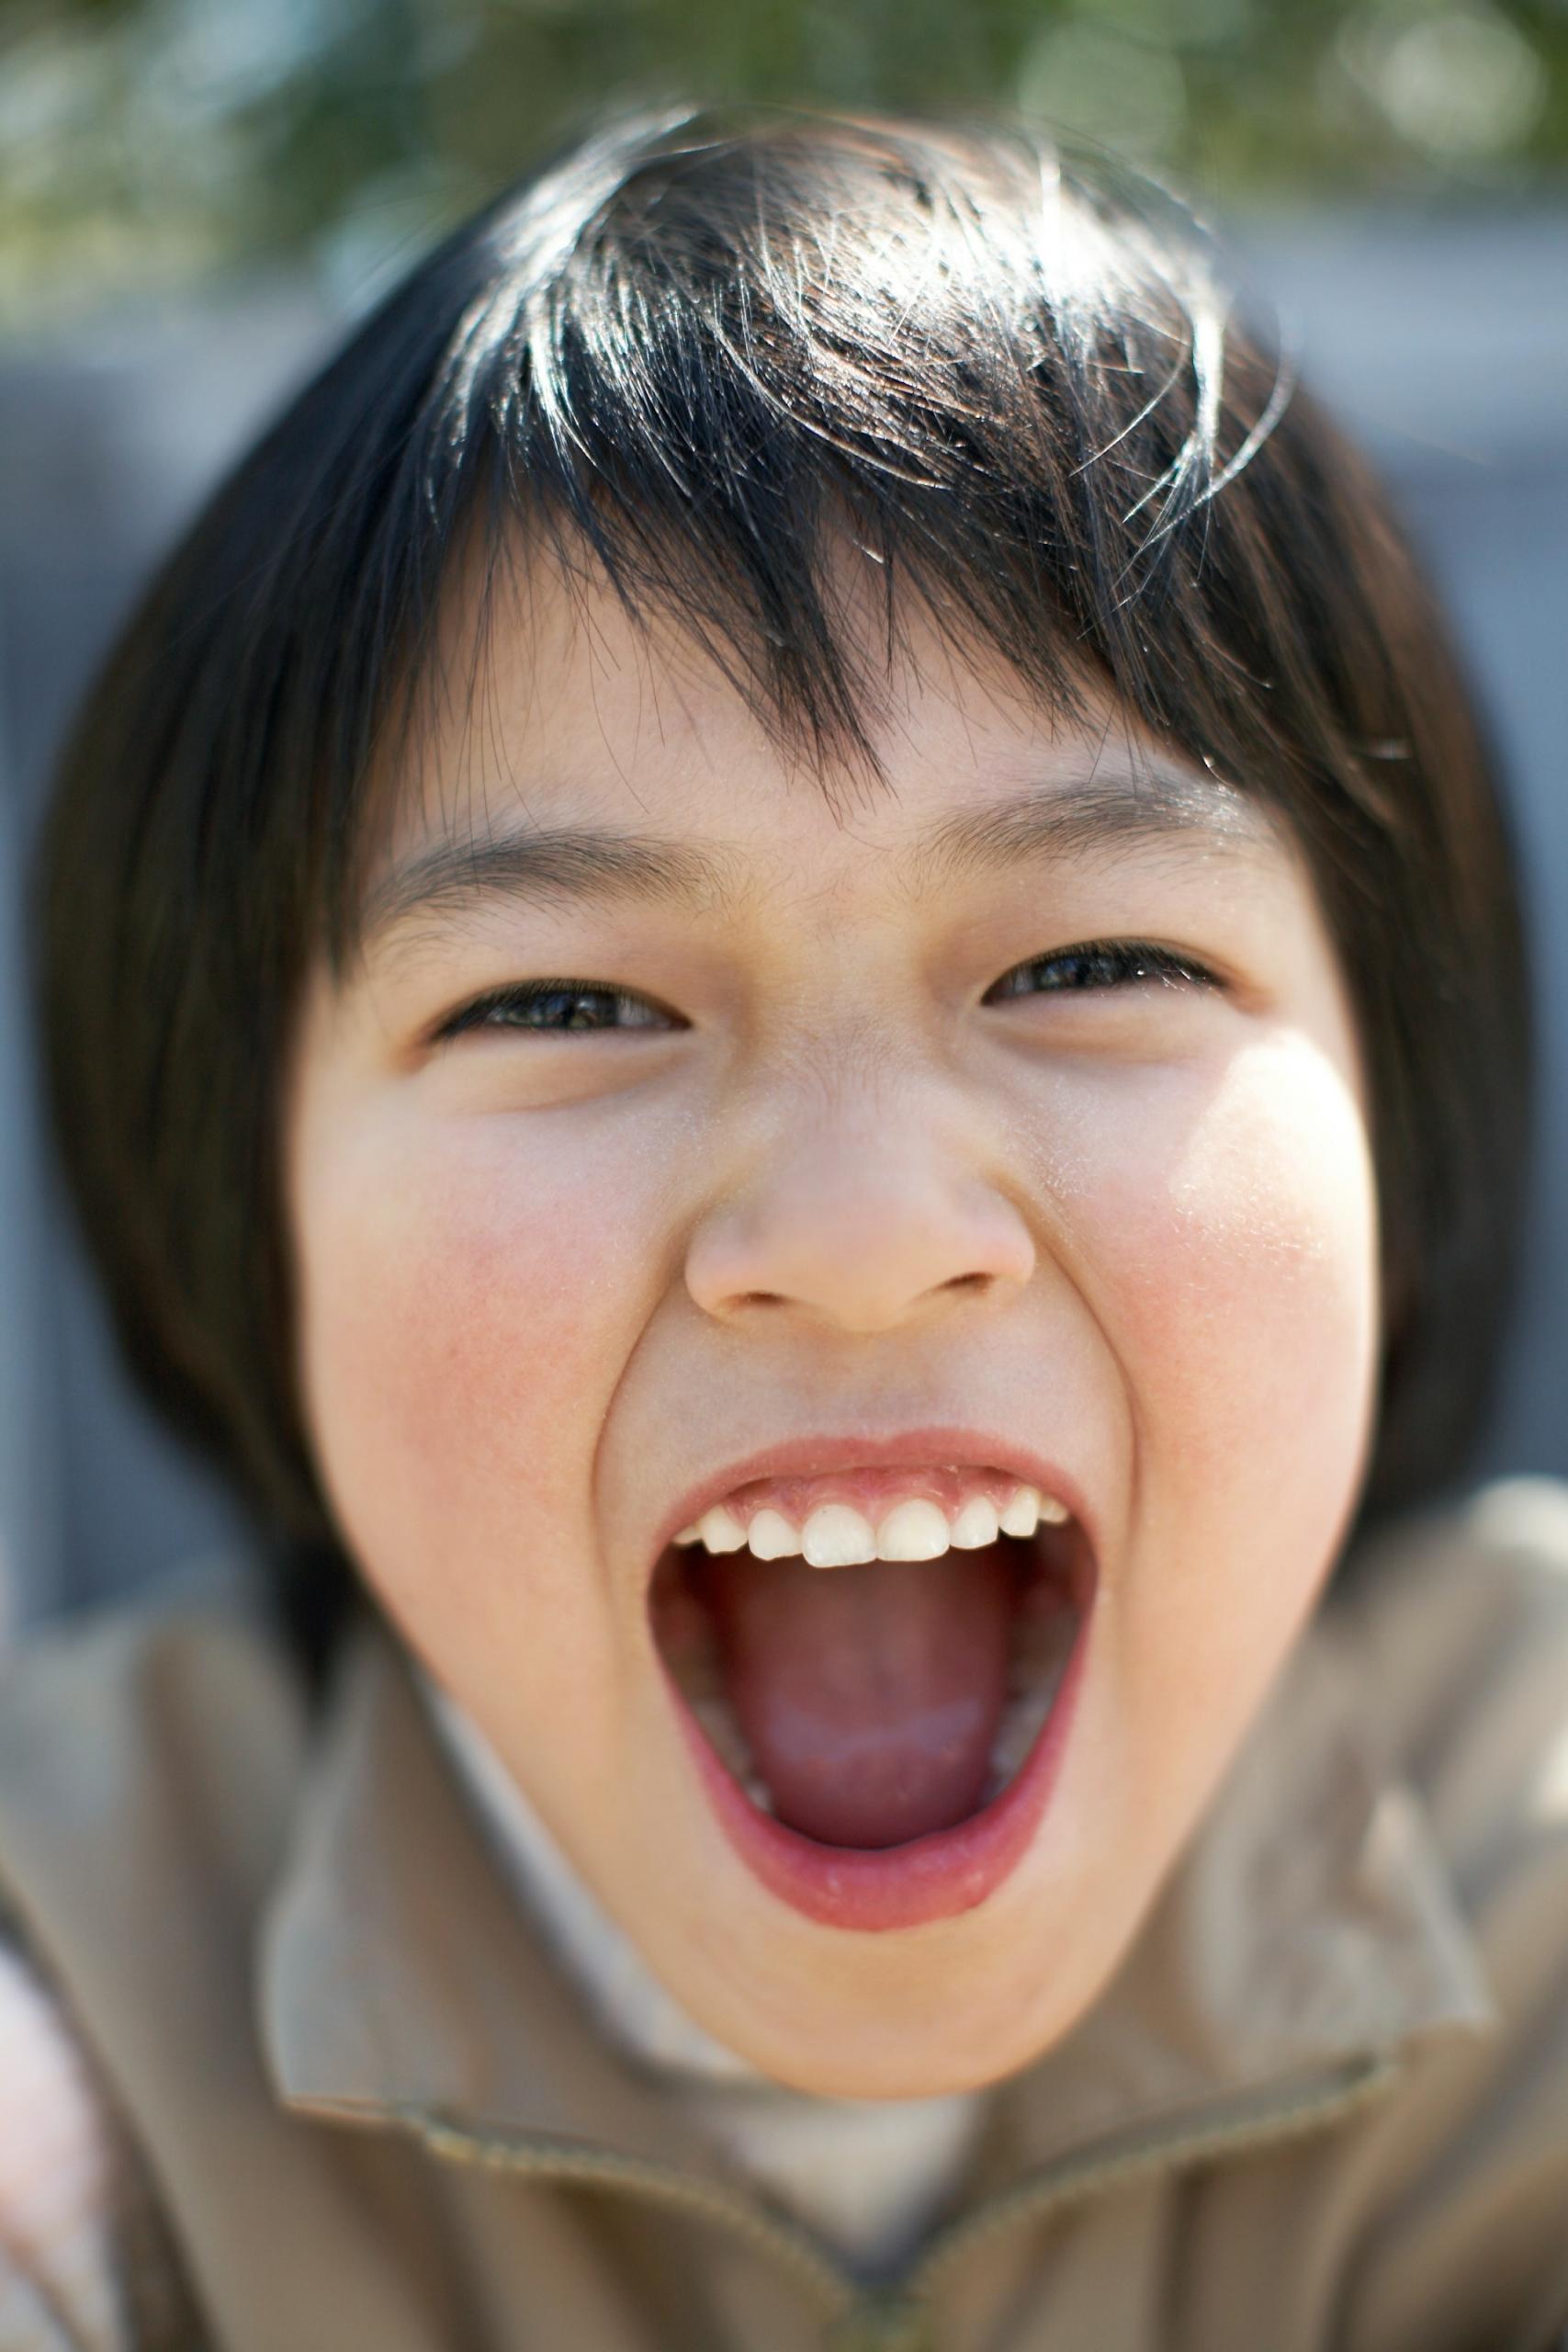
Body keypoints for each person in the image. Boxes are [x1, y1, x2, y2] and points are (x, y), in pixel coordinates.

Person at [1, 102, 1562, 2352]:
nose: (855, 1231)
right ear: (251, 1218)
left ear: (1391, 1138)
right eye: (562, 1003)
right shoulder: (75, 1995)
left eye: (1089, 963)